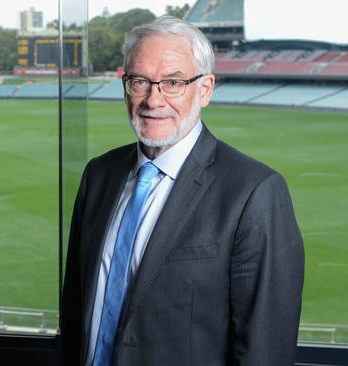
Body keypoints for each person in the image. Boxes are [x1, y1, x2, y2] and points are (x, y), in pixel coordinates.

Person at [61, 16, 304, 366]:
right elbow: (75, 312)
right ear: (125, 85)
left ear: (205, 89)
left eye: (173, 82)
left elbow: (265, 350)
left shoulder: (254, 192)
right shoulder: (99, 175)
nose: (152, 100)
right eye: (140, 81)